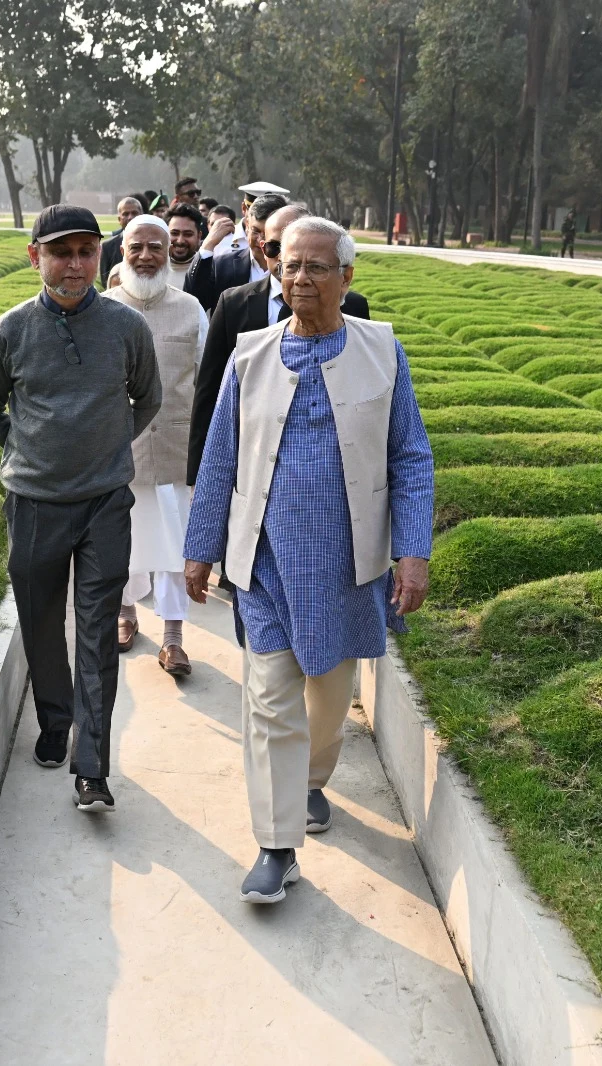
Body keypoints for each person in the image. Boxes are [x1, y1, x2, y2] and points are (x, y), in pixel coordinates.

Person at [182, 216, 434, 904]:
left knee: (329, 694)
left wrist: (413, 552)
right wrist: (200, 549)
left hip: (349, 563)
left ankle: (313, 781)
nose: (299, 278)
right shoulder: (250, 355)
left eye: (317, 267)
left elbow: (410, 456)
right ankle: (276, 845)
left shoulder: (382, 351)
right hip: (265, 560)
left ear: (347, 277)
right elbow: (221, 457)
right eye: (288, 264)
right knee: (269, 700)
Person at [0, 204, 163, 814]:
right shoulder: (11, 330)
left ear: (99, 255)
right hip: (34, 505)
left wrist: (105, 450)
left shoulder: (127, 328)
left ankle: (92, 767)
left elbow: (148, 399)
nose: (75, 264)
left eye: (86, 251)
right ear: (36, 257)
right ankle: (55, 721)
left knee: (98, 632)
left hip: (105, 504)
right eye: (61, 253)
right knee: (41, 623)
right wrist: (31, 452)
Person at [187, 204, 371, 487]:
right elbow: (209, 395)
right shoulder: (233, 304)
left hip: (333, 467)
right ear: (263, 247)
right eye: (276, 248)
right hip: (251, 464)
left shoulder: (353, 307)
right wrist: (198, 477)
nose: (289, 262)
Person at [102, 215, 209, 676]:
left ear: (169, 254)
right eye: (137, 247)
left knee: (173, 543)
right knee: (119, 539)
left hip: (174, 446)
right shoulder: (101, 308)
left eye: (155, 248)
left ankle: (173, 637)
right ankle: (125, 615)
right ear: (122, 252)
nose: (146, 256)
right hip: (117, 450)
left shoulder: (191, 308)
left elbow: (207, 381)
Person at [185, 192, 287, 312]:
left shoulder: (294, 269)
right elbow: (194, 302)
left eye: (266, 233)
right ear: (247, 225)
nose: (260, 240)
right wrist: (207, 247)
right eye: (255, 231)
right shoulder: (222, 266)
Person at [99, 195, 147, 286]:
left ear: (141, 216)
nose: (130, 217)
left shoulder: (152, 244)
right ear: (119, 219)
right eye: (125, 214)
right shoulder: (107, 246)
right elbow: (105, 281)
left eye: (134, 213)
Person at [165, 203, 206, 287]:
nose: (180, 241)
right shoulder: (152, 271)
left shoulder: (211, 271)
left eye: (188, 234)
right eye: (174, 233)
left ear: (199, 236)